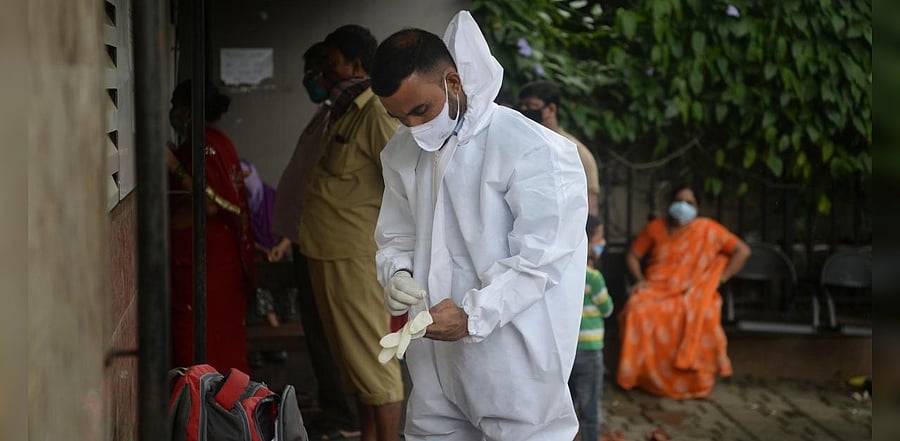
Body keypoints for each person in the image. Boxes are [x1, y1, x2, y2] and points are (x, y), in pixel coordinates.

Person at [371, 11, 588, 440]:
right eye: (399, 118)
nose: (412, 128)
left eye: (420, 110)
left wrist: (473, 314)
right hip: (433, 358)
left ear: (453, 82)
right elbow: (396, 234)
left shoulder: (531, 148)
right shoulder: (402, 152)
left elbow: (541, 260)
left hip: (513, 357)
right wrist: (395, 272)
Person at [296, 26, 403, 441]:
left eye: (332, 60)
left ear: (357, 65)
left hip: (355, 255)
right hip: (326, 252)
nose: (324, 69)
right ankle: (369, 434)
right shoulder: (343, 110)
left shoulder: (374, 110)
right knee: (352, 362)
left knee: (374, 359)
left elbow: (402, 183)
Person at [270, 40, 362, 441]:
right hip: (308, 241)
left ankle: (347, 416)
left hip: (337, 247)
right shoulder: (328, 115)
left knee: (336, 336)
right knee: (319, 334)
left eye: (326, 67)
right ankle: (335, 409)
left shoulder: (364, 114)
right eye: (312, 71)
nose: (317, 78)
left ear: (355, 64)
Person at [617, 184, 751, 399]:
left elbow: (742, 251)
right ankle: (642, 378)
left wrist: (720, 279)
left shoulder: (708, 229)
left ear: (697, 207)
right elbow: (632, 256)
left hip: (693, 290)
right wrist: (640, 280)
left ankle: (693, 384)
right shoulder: (655, 228)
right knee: (637, 308)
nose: (683, 206)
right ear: (670, 204)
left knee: (705, 314)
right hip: (656, 287)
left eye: (689, 203)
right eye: (679, 201)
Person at [165, 79, 254, 374]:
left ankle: (208, 410)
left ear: (189, 111)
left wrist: (173, 166)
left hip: (208, 262)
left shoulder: (204, 146)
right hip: (217, 260)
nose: (172, 112)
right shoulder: (217, 140)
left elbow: (207, 204)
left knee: (201, 342)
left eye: (176, 106)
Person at [518, 80, 601, 217]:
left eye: (530, 106)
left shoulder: (576, 152)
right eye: (521, 106)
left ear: (551, 109)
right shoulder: (519, 145)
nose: (524, 111)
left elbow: (590, 203)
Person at [571, 216, 614, 441]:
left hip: (568, 351)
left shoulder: (568, 273)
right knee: (590, 409)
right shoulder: (594, 278)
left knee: (565, 408)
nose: (603, 242)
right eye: (599, 237)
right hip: (590, 352)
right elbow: (607, 308)